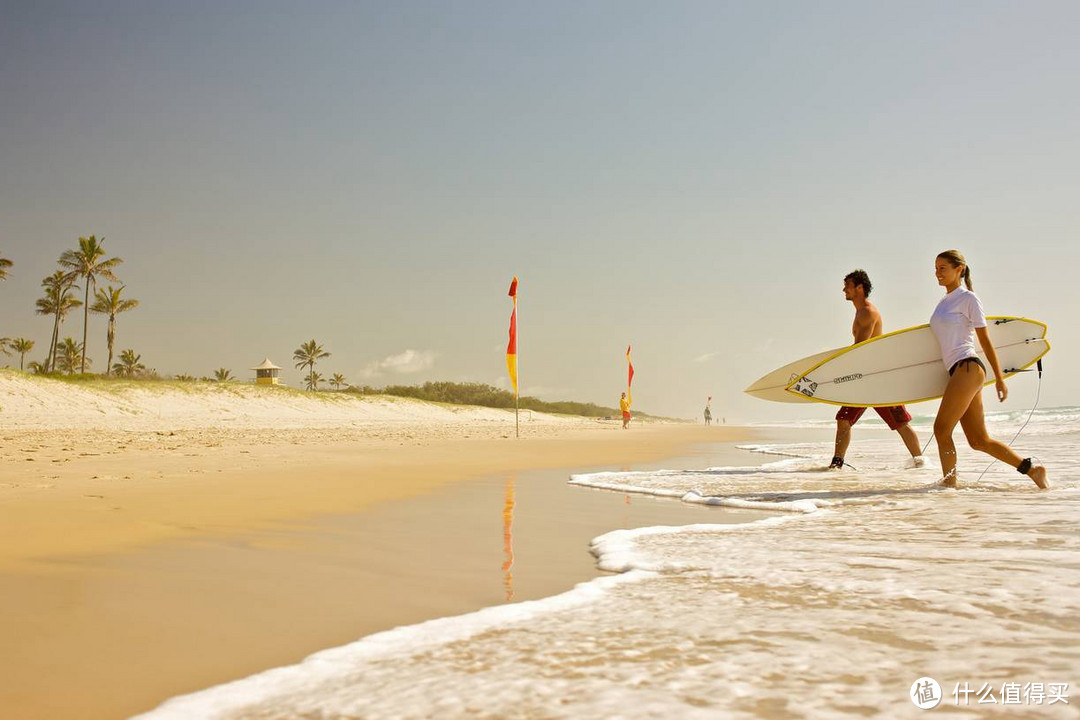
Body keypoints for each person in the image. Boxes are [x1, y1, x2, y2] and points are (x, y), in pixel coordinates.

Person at [930, 250, 1048, 488]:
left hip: (967, 367)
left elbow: (984, 340)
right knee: (978, 440)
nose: (937, 273)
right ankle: (1033, 470)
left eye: (943, 268)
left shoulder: (968, 299)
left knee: (941, 429)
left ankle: (948, 485)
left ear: (959, 269)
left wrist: (1000, 378)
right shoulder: (944, 302)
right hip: (957, 371)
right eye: (936, 268)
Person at [830, 269, 925, 469]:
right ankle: (836, 464)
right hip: (866, 377)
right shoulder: (859, 312)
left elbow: (860, 349)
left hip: (878, 379)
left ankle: (921, 462)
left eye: (847, 285)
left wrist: (840, 369)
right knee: (844, 418)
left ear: (859, 287)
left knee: (900, 422)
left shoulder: (868, 312)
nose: (843, 289)